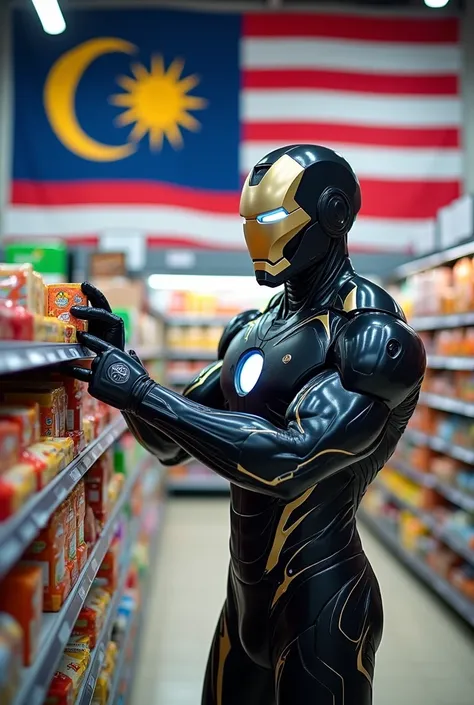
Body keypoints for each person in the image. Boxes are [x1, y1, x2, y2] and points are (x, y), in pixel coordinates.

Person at [69, 145, 426, 705]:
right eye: (249, 222)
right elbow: (168, 444)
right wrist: (129, 380)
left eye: (271, 220)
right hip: (242, 600)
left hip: (322, 603)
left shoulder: (369, 337)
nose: (256, 236)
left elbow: (289, 462)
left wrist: (141, 391)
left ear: (333, 215)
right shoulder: (253, 330)